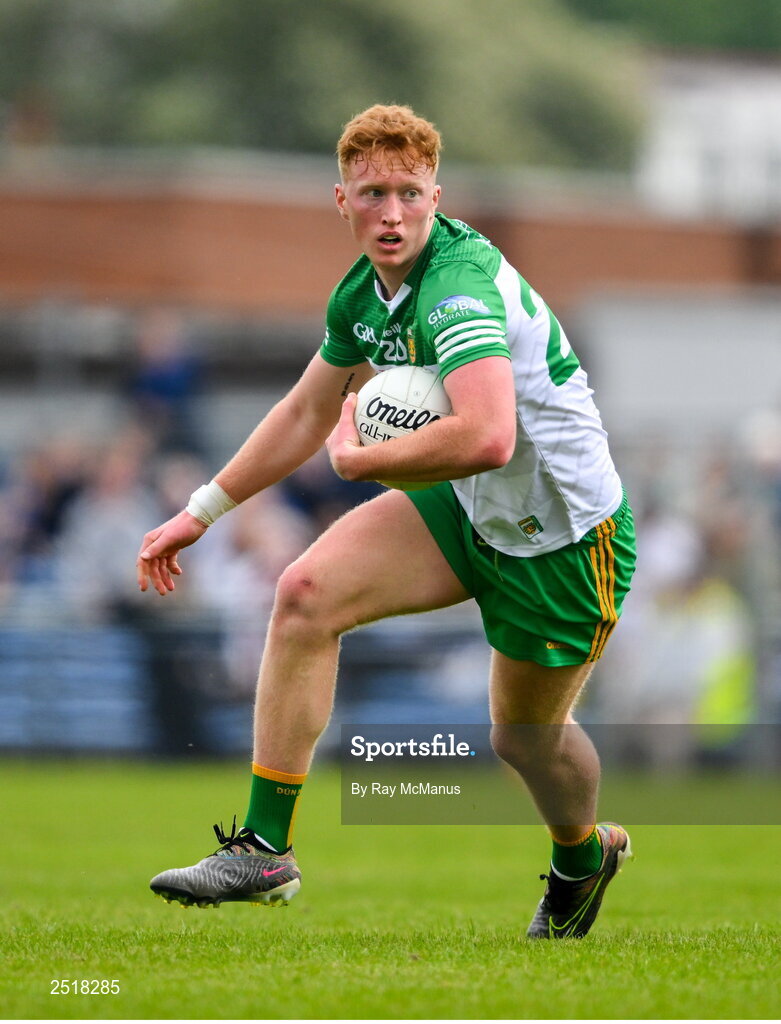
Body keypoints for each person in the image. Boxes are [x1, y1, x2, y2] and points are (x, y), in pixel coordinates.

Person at [136, 104, 636, 938]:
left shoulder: (456, 285)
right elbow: (306, 409)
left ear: (436, 196)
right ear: (343, 201)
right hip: (467, 503)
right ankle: (264, 850)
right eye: (373, 194)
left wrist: (361, 461)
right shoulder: (362, 295)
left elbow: (485, 433)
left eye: (408, 192)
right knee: (303, 595)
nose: (392, 213)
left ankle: (582, 859)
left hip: (560, 539)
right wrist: (201, 510)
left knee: (522, 741)